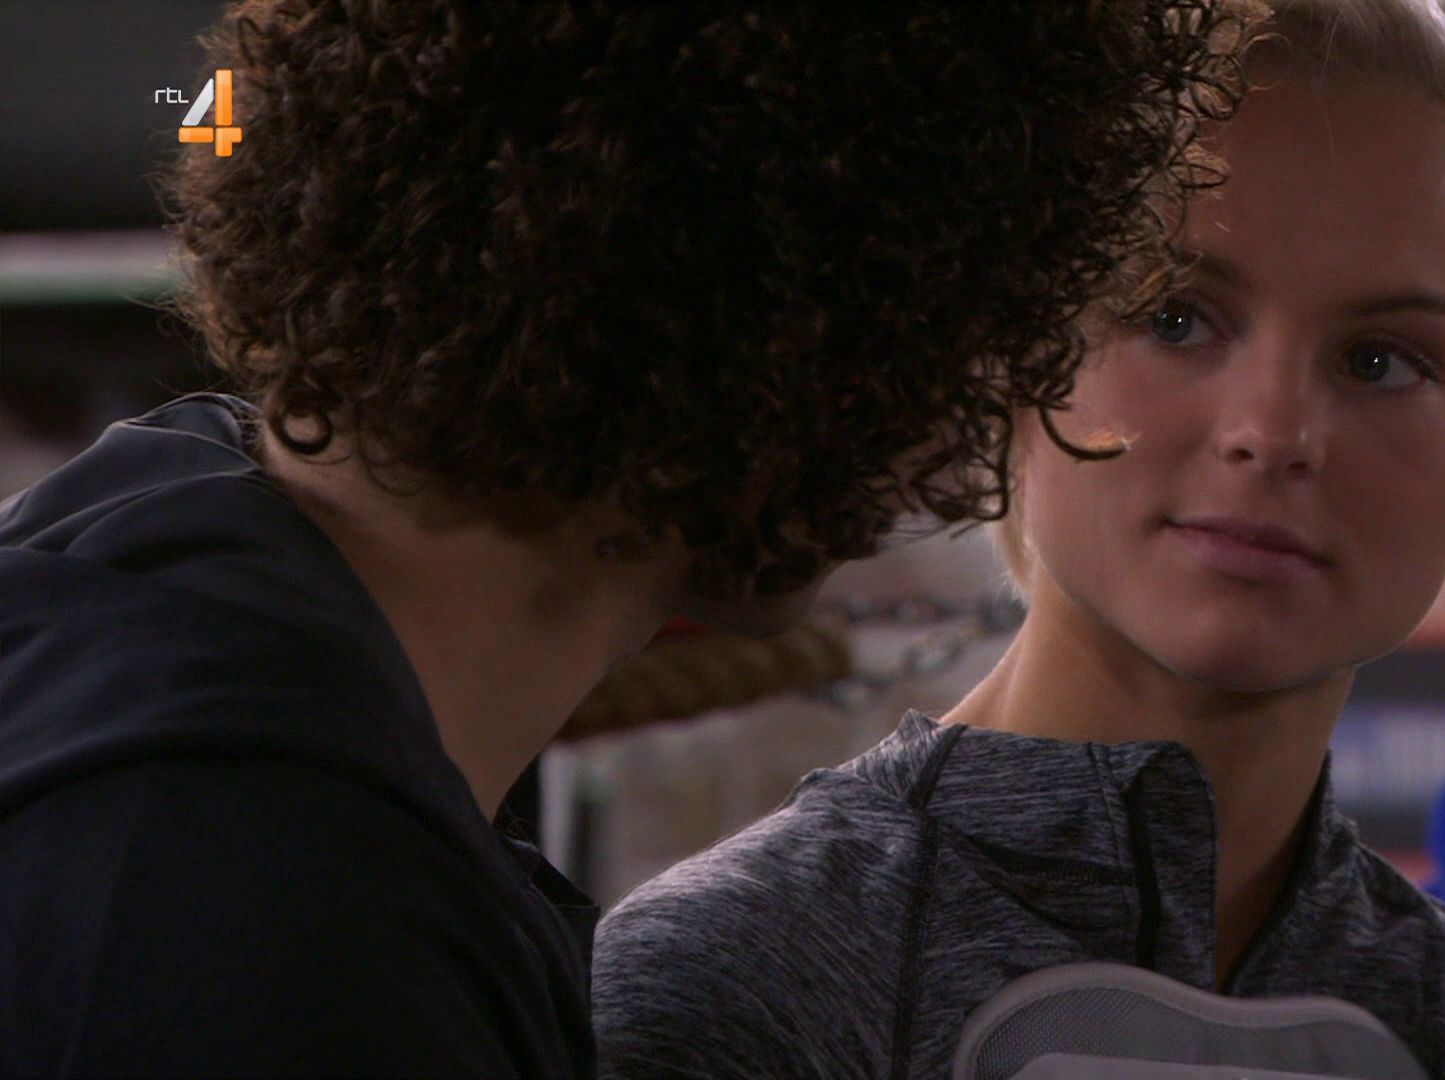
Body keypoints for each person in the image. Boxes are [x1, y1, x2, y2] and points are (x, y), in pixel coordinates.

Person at [0, 1, 1249, 1074]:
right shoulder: (282, 932)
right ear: (819, 313)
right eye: (971, 321)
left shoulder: (146, 560)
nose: (970, 404)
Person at [591, 0, 1445, 1076]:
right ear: (1020, 344)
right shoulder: (732, 982)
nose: (1274, 432)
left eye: (1380, 362)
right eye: (1175, 317)